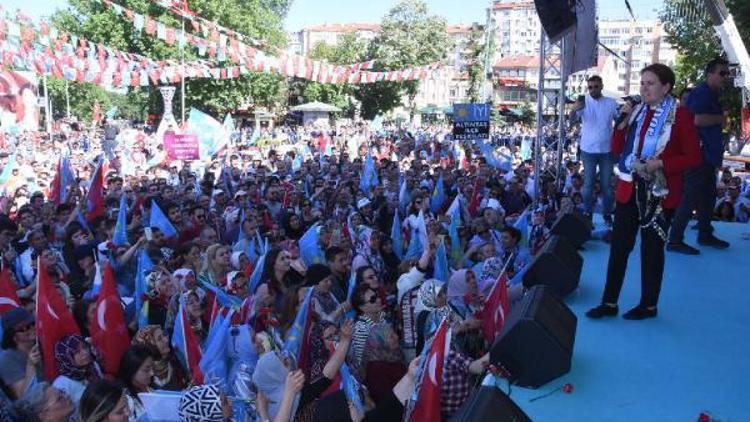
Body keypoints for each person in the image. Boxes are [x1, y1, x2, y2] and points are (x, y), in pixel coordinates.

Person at [586, 63, 702, 320]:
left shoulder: (680, 115)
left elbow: (693, 157)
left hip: (659, 193)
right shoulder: (636, 111)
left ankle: (648, 305)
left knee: (651, 250)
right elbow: (617, 148)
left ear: (666, 87)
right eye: (642, 83)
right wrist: (622, 120)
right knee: (619, 248)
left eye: (650, 83)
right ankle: (609, 302)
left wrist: (662, 163)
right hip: (629, 188)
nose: (644, 88)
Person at [667, 57, 732, 254]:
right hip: (699, 154)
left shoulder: (711, 94)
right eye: (721, 73)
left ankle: (705, 233)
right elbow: (694, 119)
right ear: (709, 74)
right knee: (690, 198)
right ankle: (675, 239)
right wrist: (721, 118)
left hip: (708, 155)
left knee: (707, 197)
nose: (725, 77)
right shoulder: (702, 94)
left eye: (726, 73)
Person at [571, 75, 620, 225]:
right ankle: (587, 211)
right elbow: (571, 120)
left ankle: (607, 214)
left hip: (607, 150)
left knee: (607, 186)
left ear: (601, 86)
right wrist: (574, 110)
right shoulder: (583, 101)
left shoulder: (611, 103)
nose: (592, 89)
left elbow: (620, 121)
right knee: (588, 184)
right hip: (588, 150)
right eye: (590, 87)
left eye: (595, 86)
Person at [0, 307, 41, 400]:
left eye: (32, 323)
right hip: (39, 405)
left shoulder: (41, 342)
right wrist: (30, 365)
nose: (31, 328)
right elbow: (22, 395)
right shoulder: (7, 359)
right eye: (24, 328)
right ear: (13, 336)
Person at [52, 334, 102, 407]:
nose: (85, 353)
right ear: (67, 357)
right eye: (77, 352)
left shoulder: (93, 366)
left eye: (85, 347)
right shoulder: (61, 384)